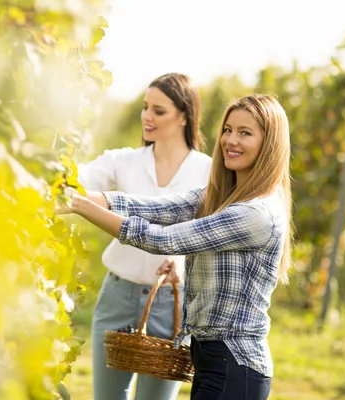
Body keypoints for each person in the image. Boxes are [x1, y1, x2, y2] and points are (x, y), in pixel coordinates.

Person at [62, 94, 292, 400]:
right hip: (213, 360)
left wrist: (80, 207)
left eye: (245, 133)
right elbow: (156, 209)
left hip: (235, 367)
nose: (230, 140)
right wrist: (70, 195)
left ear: (270, 144)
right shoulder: (222, 195)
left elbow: (163, 240)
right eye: (228, 129)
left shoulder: (256, 213)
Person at [76, 73, 212, 400]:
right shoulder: (124, 160)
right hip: (117, 296)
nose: (147, 117)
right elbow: (77, 180)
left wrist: (184, 264)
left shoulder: (207, 170)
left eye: (159, 111)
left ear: (183, 115)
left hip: (172, 302)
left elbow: (213, 235)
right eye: (145, 107)